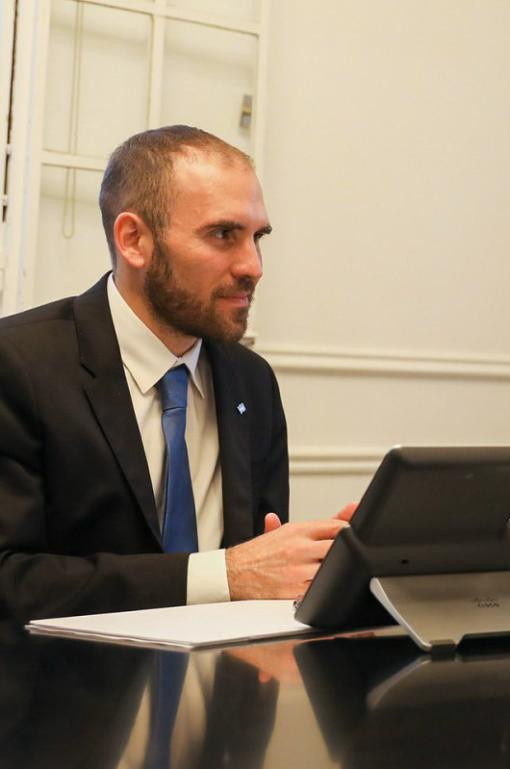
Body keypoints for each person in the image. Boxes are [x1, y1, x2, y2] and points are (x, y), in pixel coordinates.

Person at [0, 125, 351, 621]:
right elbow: (10, 579)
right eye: (224, 234)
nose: (253, 266)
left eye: (258, 238)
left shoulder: (252, 382)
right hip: (66, 692)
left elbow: (258, 569)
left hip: (225, 689)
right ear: (134, 240)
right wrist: (224, 575)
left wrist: (329, 564)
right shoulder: (19, 365)